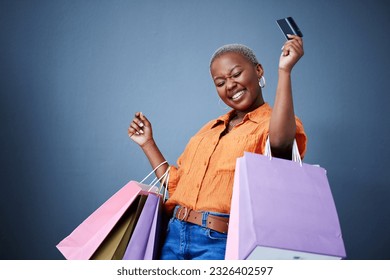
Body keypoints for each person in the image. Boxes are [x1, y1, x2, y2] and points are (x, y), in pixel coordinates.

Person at [127, 34, 307, 260]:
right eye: (220, 83)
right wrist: (148, 143)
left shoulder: (275, 124)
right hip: (173, 237)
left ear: (259, 70)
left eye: (236, 74)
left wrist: (285, 71)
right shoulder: (209, 130)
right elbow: (176, 185)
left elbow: (280, 144)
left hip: (221, 242)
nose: (230, 85)